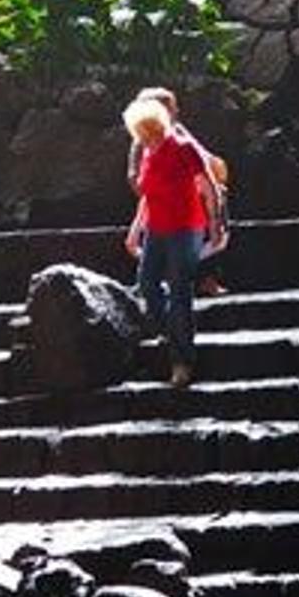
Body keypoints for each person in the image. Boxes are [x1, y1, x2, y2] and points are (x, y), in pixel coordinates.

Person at [123, 89, 221, 387]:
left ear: (158, 126)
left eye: (148, 132)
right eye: (140, 134)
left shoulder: (183, 147)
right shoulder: (148, 153)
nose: (144, 139)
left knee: (180, 290)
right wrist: (135, 231)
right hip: (158, 228)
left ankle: (182, 362)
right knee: (147, 283)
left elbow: (209, 187)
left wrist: (216, 226)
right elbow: (148, 196)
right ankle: (176, 332)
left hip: (186, 227)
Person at [125, 87, 230, 298]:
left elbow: (205, 160)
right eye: (170, 108)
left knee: (213, 198)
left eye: (173, 109)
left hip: (188, 199)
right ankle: (157, 278)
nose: (175, 113)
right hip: (158, 201)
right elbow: (134, 175)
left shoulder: (179, 135)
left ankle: (205, 275)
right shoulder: (143, 140)